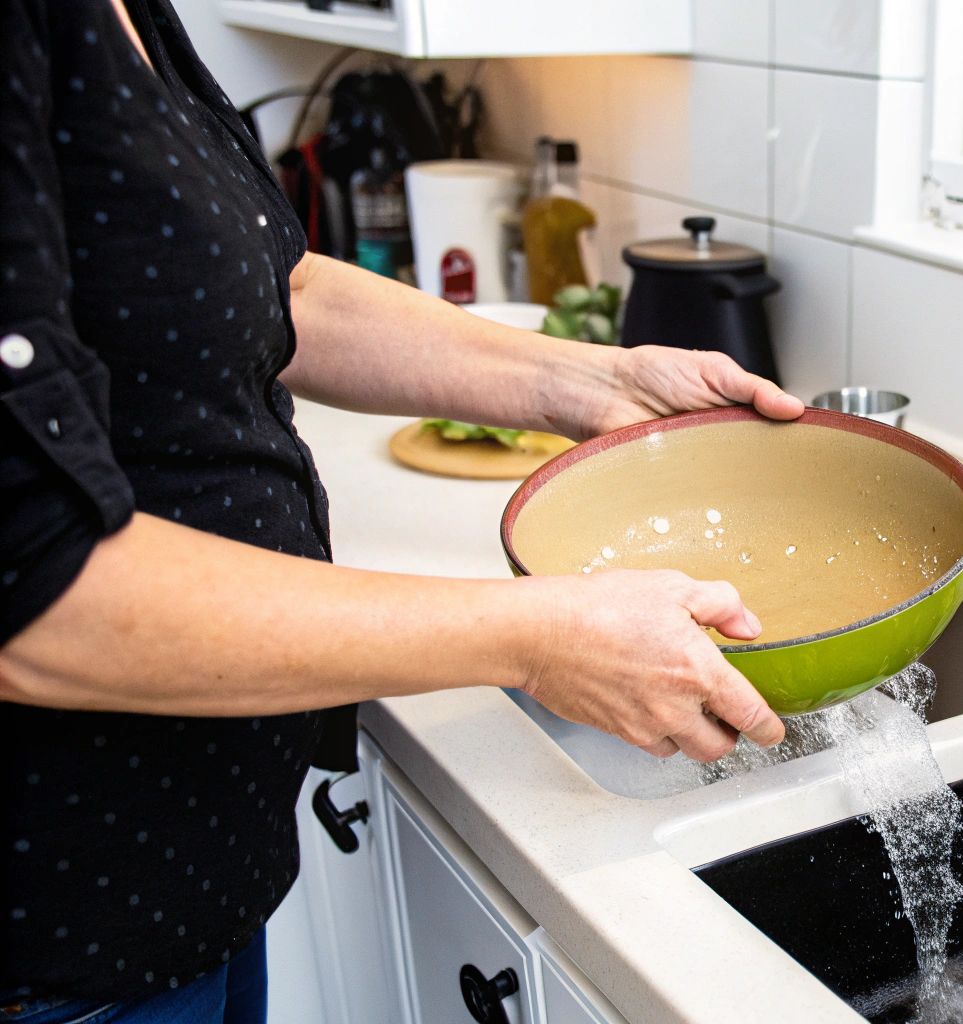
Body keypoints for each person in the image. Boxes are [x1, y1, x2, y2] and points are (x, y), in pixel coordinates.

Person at [0, 1, 799, 1019]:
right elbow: (33, 599)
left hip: (192, 874)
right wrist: (541, 635)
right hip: (57, 928)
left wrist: (592, 382)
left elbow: (279, 287)